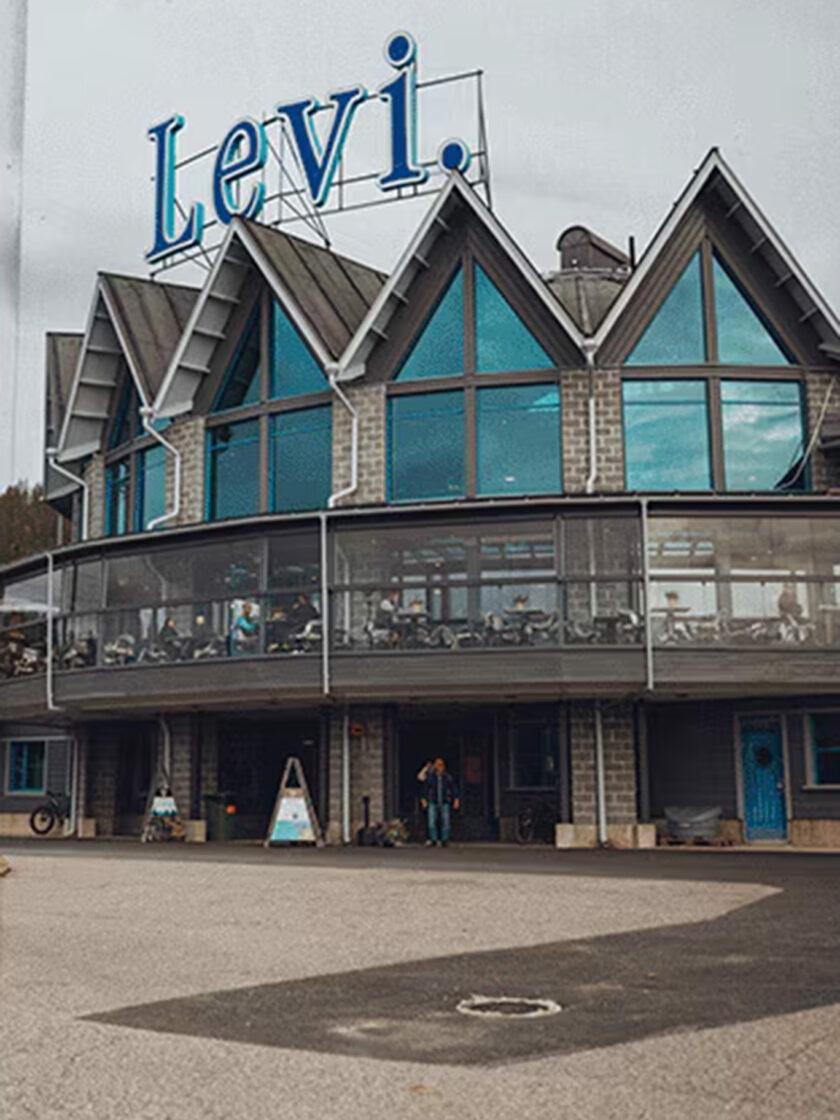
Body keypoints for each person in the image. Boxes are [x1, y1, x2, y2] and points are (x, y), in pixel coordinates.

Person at [421, 757, 460, 847]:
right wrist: (423, 799)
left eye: (441, 765)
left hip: (444, 801)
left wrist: (456, 799)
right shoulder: (431, 777)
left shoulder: (448, 777)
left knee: (446, 821)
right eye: (438, 765)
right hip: (432, 801)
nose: (440, 767)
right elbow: (425, 789)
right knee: (431, 821)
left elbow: (454, 788)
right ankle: (433, 839)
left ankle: (444, 840)